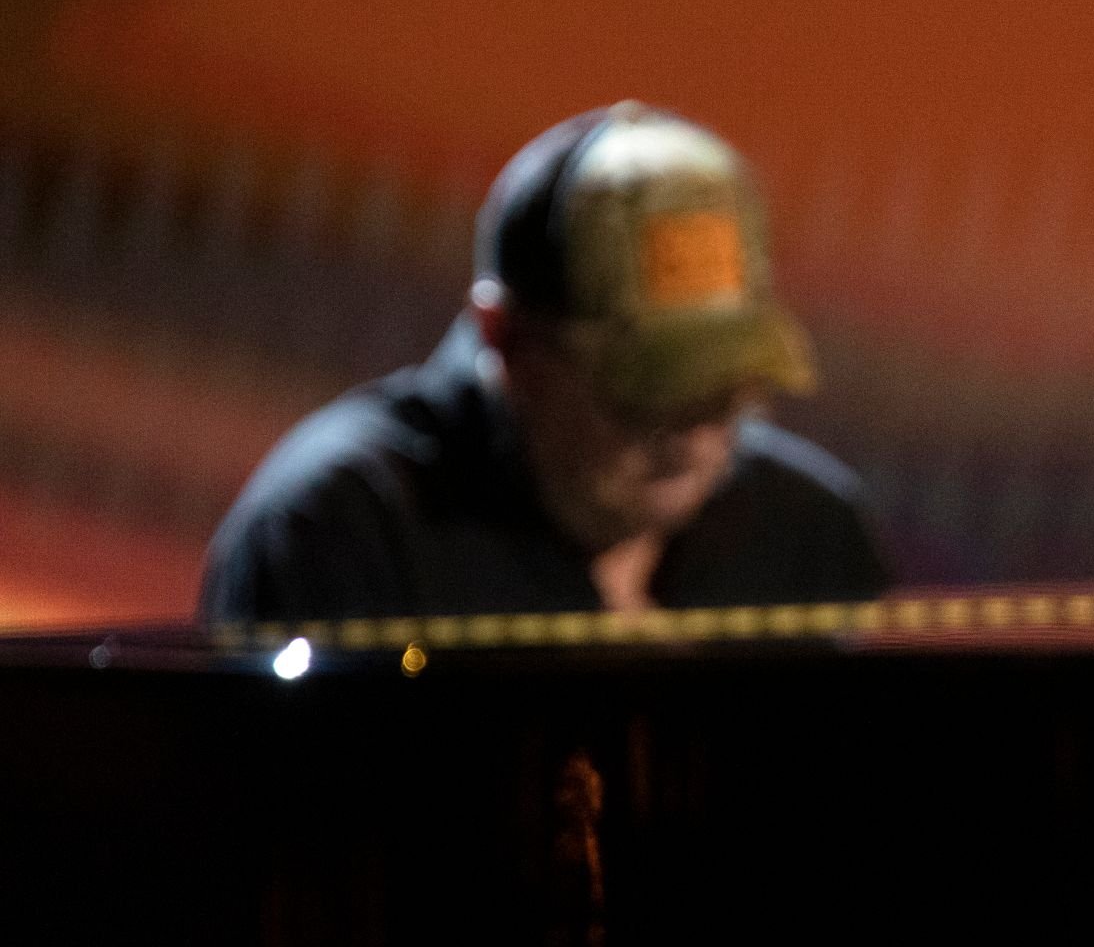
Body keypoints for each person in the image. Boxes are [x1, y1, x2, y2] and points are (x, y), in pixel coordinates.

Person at [199, 104, 890, 622]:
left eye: (722, 389)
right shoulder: (341, 536)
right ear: (505, 339)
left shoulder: (812, 540)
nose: (694, 435)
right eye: (646, 392)